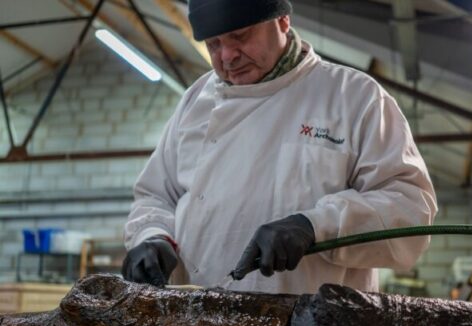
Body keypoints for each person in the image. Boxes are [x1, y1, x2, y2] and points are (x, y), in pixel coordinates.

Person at [121, 0, 437, 294]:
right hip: (199, 322)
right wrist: (152, 237)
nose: (227, 55)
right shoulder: (195, 102)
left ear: (283, 20)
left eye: (239, 36)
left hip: (313, 325)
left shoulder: (354, 97)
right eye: (214, 44)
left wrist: (316, 226)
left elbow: (410, 208)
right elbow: (156, 196)